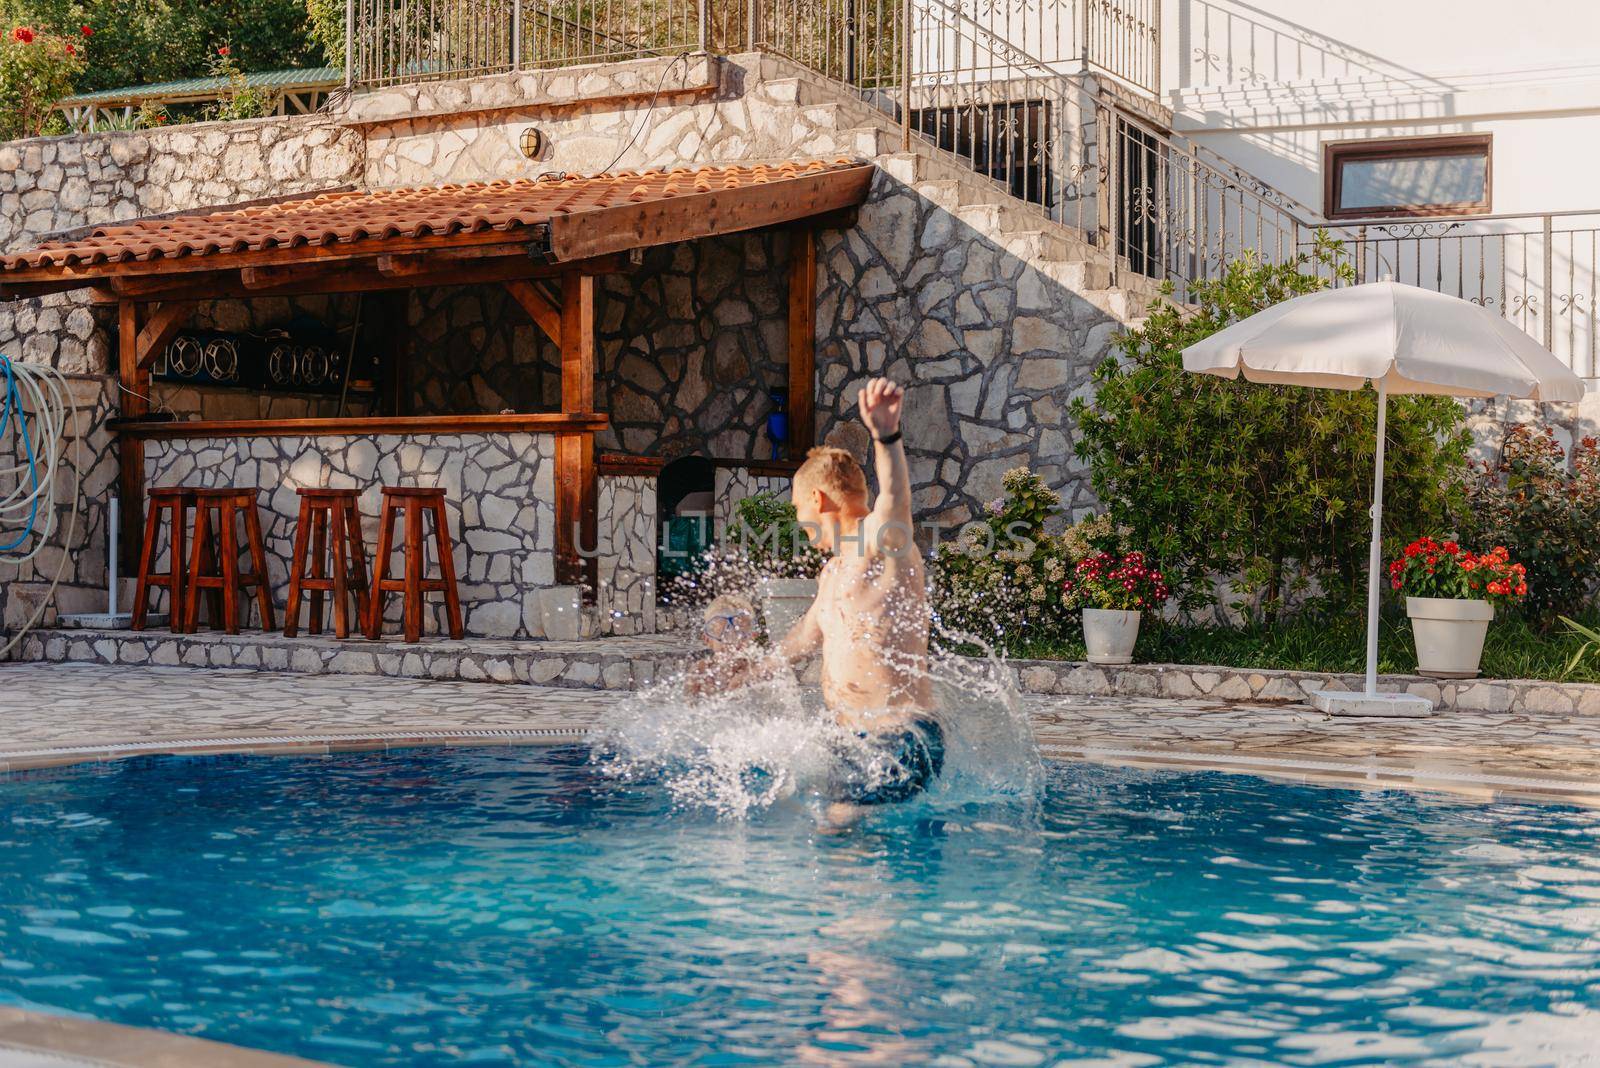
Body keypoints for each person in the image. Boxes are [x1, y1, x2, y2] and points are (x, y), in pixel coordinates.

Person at [773, 377, 944, 815]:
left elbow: (895, 499)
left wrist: (887, 437)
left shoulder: (878, 540)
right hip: (852, 740)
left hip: (900, 736)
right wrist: (744, 669)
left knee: (840, 824)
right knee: (801, 804)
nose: (801, 526)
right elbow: (803, 639)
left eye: (798, 512)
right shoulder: (833, 573)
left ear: (817, 499)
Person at [683, 593, 761, 698]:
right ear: (708, 640)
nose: (732, 641)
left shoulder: (754, 670)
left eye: (740, 634)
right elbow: (687, 707)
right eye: (722, 634)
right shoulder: (700, 671)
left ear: (752, 637)